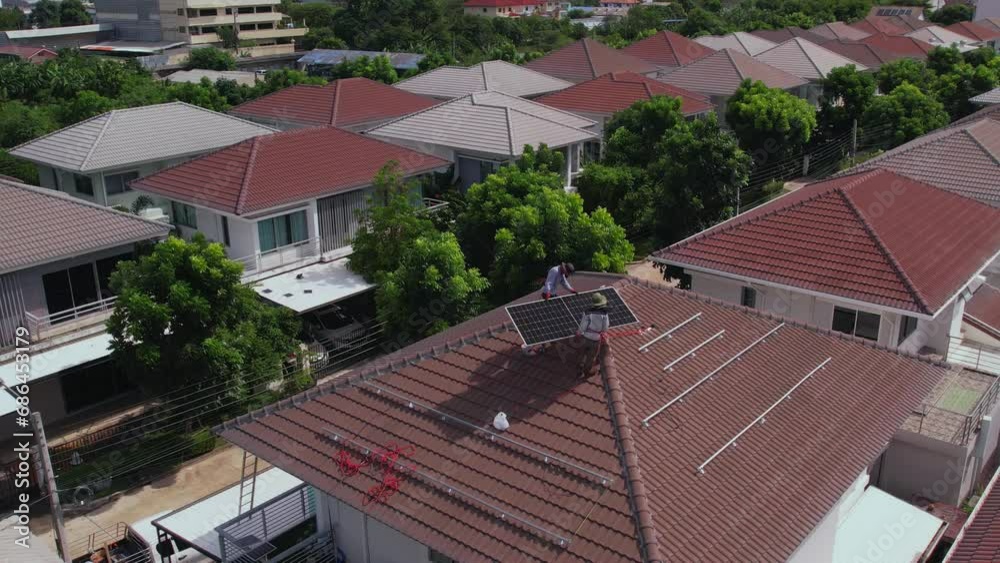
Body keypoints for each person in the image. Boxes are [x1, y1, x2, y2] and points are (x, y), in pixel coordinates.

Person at [575, 293, 609, 377]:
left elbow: (583, 325)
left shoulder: (587, 312)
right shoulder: (604, 314)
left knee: (581, 353)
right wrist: (602, 332)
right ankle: (587, 371)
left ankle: (579, 369)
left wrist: (579, 332)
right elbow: (605, 328)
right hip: (595, 339)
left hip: (585, 337)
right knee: (591, 357)